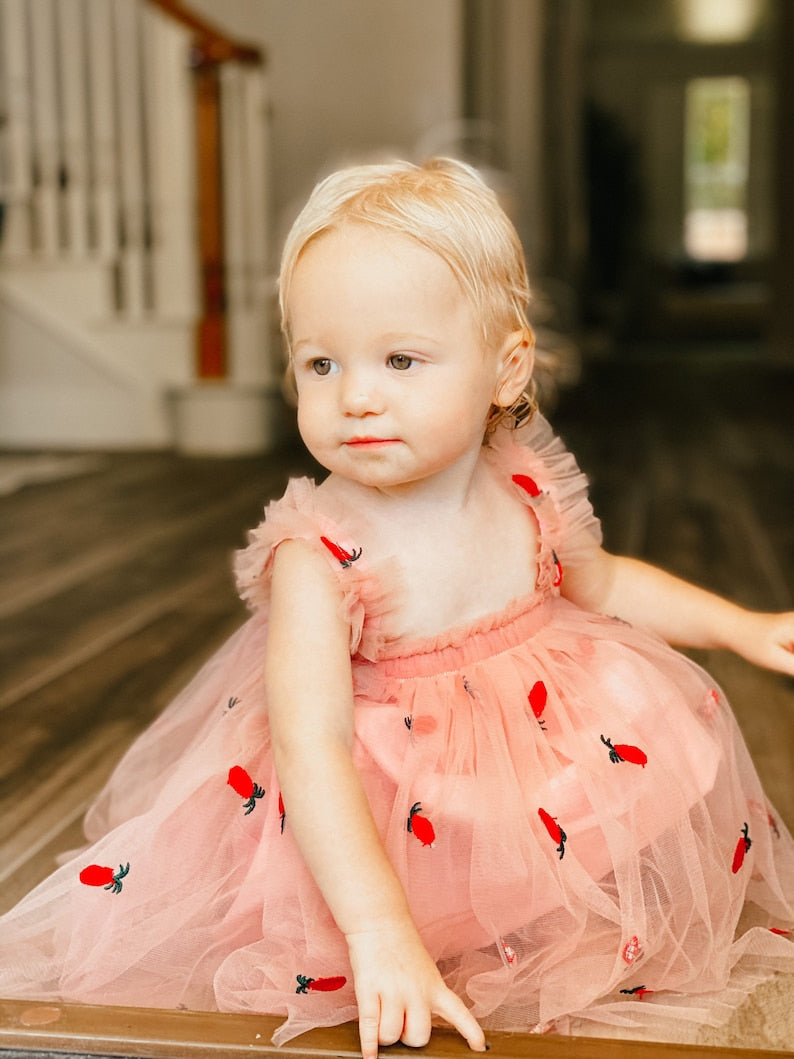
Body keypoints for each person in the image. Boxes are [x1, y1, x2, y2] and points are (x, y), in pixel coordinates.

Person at [1, 158, 793, 1058]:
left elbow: (602, 582)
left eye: (401, 359)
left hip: (528, 753)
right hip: (386, 792)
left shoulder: (524, 482)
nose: (357, 395)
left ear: (506, 370)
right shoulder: (321, 553)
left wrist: (742, 626)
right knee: (385, 918)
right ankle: (402, 940)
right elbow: (312, 745)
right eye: (321, 363)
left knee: (630, 768)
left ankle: (513, 928)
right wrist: (378, 929)